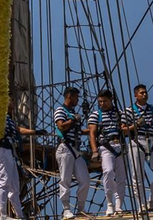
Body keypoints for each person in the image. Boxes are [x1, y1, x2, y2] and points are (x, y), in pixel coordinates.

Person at [88, 88, 135, 215]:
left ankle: (119, 205)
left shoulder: (120, 114)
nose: (102, 104)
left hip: (119, 146)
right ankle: (109, 203)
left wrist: (134, 126)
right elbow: (92, 134)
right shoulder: (96, 115)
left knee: (121, 178)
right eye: (100, 101)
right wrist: (94, 151)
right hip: (106, 146)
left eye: (105, 101)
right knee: (108, 172)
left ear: (111, 100)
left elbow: (124, 130)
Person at [52, 86, 92, 219]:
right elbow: (61, 126)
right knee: (65, 180)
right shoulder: (60, 110)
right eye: (76, 97)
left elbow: (78, 131)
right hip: (65, 148)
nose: (77, 100)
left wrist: (92, 131)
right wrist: (74, 120)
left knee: (85, 180)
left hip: (76, 150)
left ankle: (81, 209)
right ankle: (66, 209)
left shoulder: (73, 112)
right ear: (69, 96)